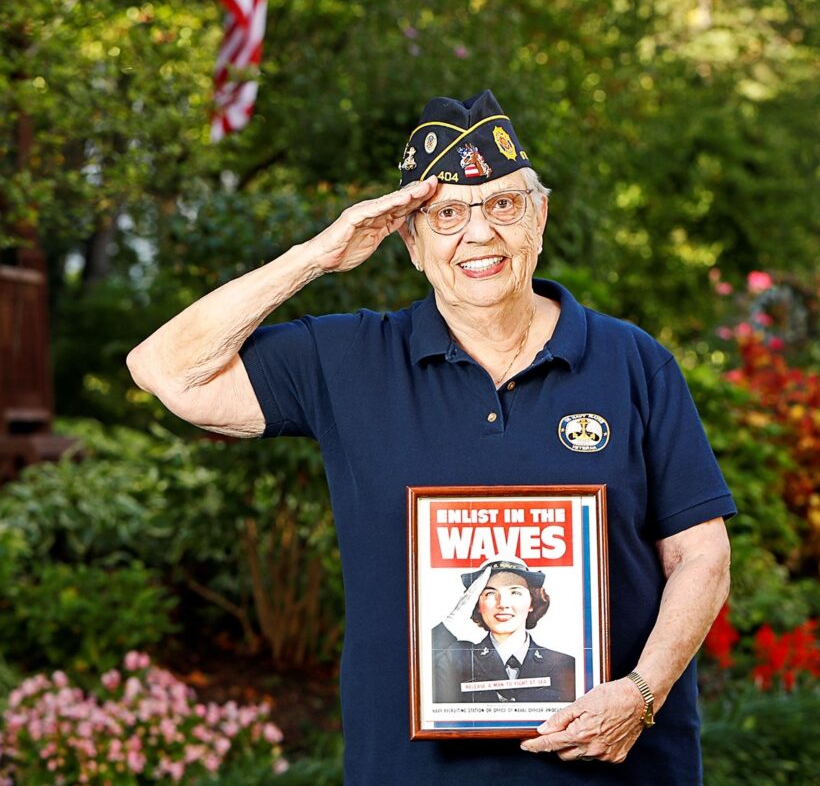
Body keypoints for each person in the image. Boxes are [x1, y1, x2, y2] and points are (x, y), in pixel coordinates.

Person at [127, 90, 735, 784]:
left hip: (621, 768)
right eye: (446, 215)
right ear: (410, 243)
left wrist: (643, 692)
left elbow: (701, 556)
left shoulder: (632, 361)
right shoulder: (350, 359)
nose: (478, 235)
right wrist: (317, 256)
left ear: (539, 217)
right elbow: (163, 369)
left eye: (503, 205)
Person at [432, 557, 576, 704]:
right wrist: (452, 622)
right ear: (476, 603)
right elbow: (416, 671)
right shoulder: (454, 658)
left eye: (515, 593)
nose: (503, 604)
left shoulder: (564, 664)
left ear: (532, 602)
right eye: (490, 594)